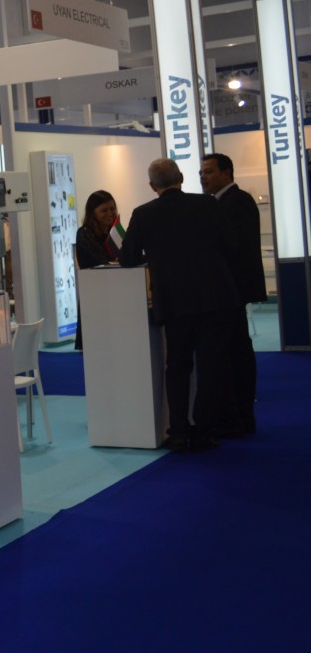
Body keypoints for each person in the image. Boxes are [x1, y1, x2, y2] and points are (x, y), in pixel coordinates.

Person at [118, 158, 241, 451]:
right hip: (215, 297)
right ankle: (205, 430)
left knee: (177, 365)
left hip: (174, 300)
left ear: (152, 186)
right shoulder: (208, 204)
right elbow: (230, 246)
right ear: (182, 177)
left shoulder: (143, 214)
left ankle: (179, 432)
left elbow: (128, 258)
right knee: (211, 365)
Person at [200, 152, 267, 436]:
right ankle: (237, 414)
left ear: (227, 173)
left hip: (233, 289)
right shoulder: (220, 203)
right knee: (233, 349)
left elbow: (234, 247)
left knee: (236, 351)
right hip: (227, 290)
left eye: (209, 171)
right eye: (201, 172)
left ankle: (240, 414)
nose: (203, 177)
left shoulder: (237, 202)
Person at [73, 190, 121, 351]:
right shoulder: (84, 233)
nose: (110, 213)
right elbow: (102, 261)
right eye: (104, 210)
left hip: (115, 294)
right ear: (92, 213)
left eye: (112, 208)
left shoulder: (115, 232)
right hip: (95, 295)